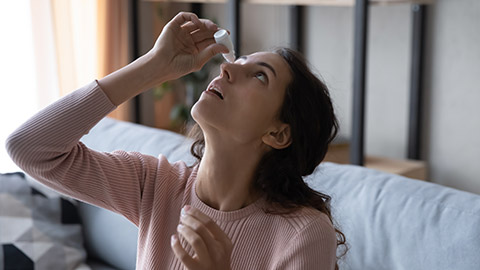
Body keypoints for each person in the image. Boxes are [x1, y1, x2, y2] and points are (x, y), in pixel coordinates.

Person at [7, 12, 346, 269]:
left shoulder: (304, 235)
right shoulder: (157, 185)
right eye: (235, 62)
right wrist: (155, 66)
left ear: (278, 133)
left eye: (259, 76)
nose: (225, 70)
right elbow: (29, 149)